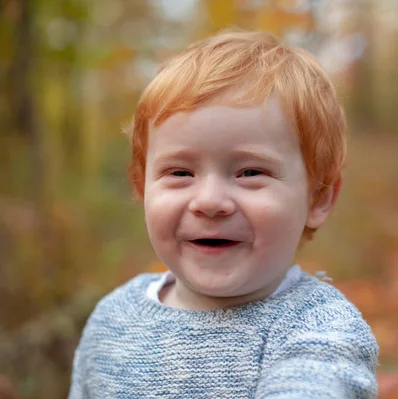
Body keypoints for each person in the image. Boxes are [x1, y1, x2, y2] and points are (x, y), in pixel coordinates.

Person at [68, 30, 379, 399]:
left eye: (250, 173)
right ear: (141, 186)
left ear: (318, 199)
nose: (210, 201)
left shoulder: (320, 333)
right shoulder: (113, 317)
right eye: (180, 173)